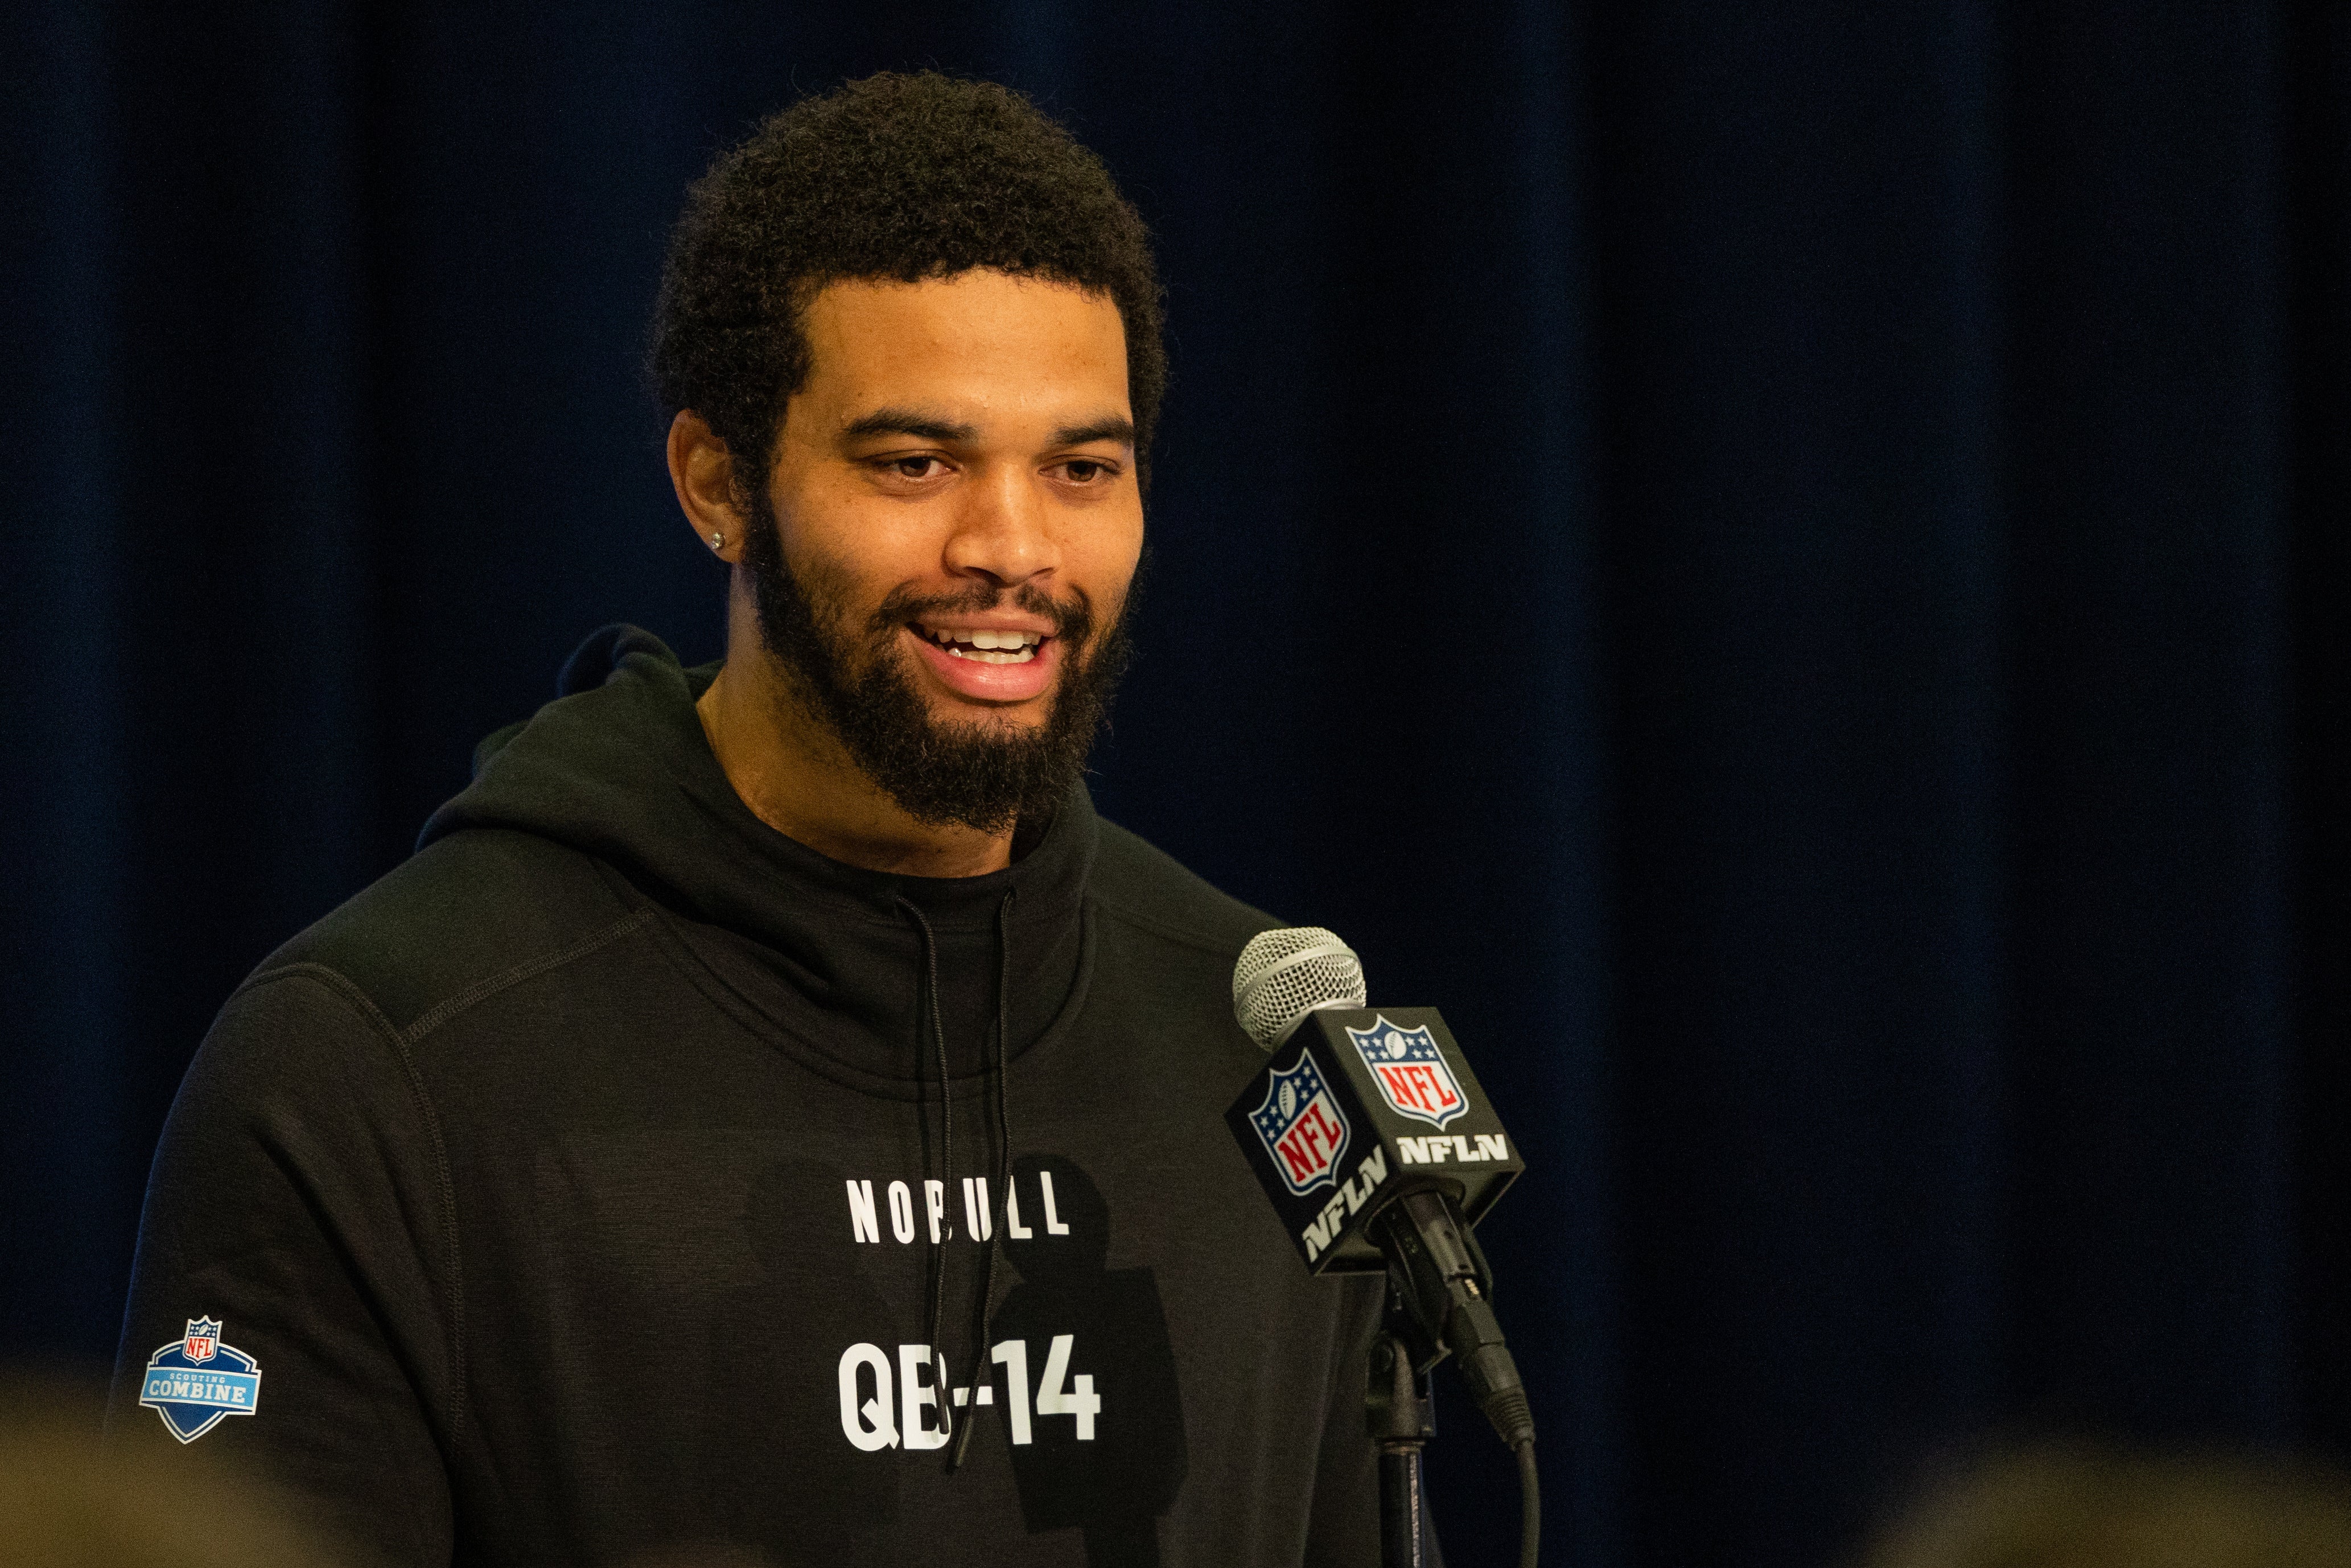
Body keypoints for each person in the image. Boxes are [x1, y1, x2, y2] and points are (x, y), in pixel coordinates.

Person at [108, 72, 1384, 1566]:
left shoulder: (1273, 1047)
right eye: (915, 463)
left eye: (1080, 468)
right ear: (719, 480)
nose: (1014, 547)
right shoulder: (371, 1066)